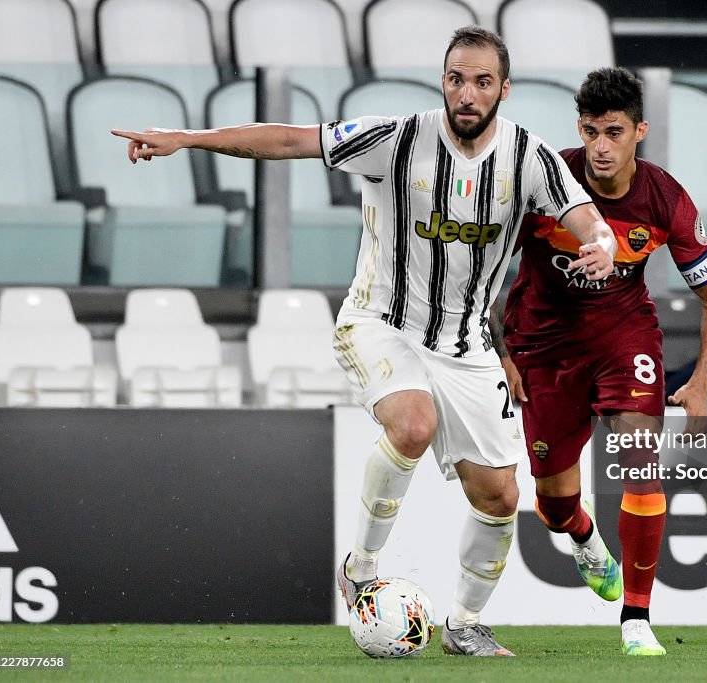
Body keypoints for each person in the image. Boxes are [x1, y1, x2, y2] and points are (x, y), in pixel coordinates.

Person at [113, 26, 617, 657]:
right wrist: (188, 140)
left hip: (465, 345)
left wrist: (601, 245)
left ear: (504, 89)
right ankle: (361, 566)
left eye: (483, 81)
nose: (468, 92)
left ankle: (465, 625)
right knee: (412, 424)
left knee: (500, 495)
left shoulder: (532, 157)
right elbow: (289, 140)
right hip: (379, 321)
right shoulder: (395, 138)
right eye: (457, 78)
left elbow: (588, 220)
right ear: (443, 81)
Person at [494, 67, 707, 655]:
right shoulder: (545, 179)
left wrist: (700, 383)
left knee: (640, 460)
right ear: (579, 128)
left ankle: (637, 619)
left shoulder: (666, 199)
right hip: (542, 347)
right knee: (551, 504)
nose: (601, 146)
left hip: (624, 341)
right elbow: (478, 268)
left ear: (640, 131)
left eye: (615, 132)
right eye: (591, 131)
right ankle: (581, 534)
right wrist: (500, 351)